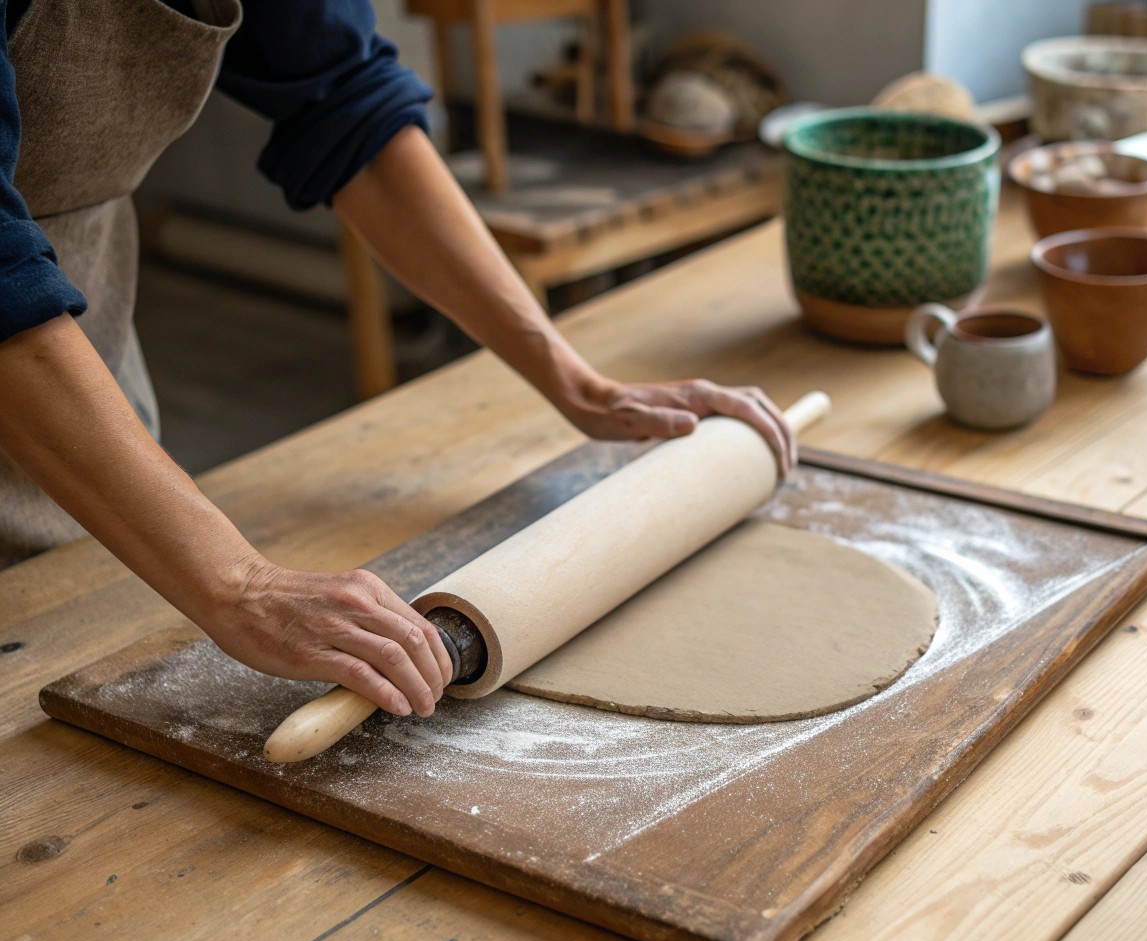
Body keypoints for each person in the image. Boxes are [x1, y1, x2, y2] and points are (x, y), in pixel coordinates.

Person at [0, 1, 795, 720]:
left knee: (74, 625)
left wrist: (574, 379)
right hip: (24, 342)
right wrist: (237, 584)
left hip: (76, 363)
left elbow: (350, 106)